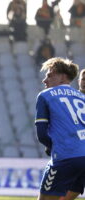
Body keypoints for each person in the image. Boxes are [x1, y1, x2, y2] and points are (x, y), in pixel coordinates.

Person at [35, 57, 85, 200]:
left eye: (49, 75)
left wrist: (53, 146)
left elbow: (42, 134)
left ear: (63, 77)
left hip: (67, 156)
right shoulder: (82, 97)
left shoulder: (45, 95)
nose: (45, 80)